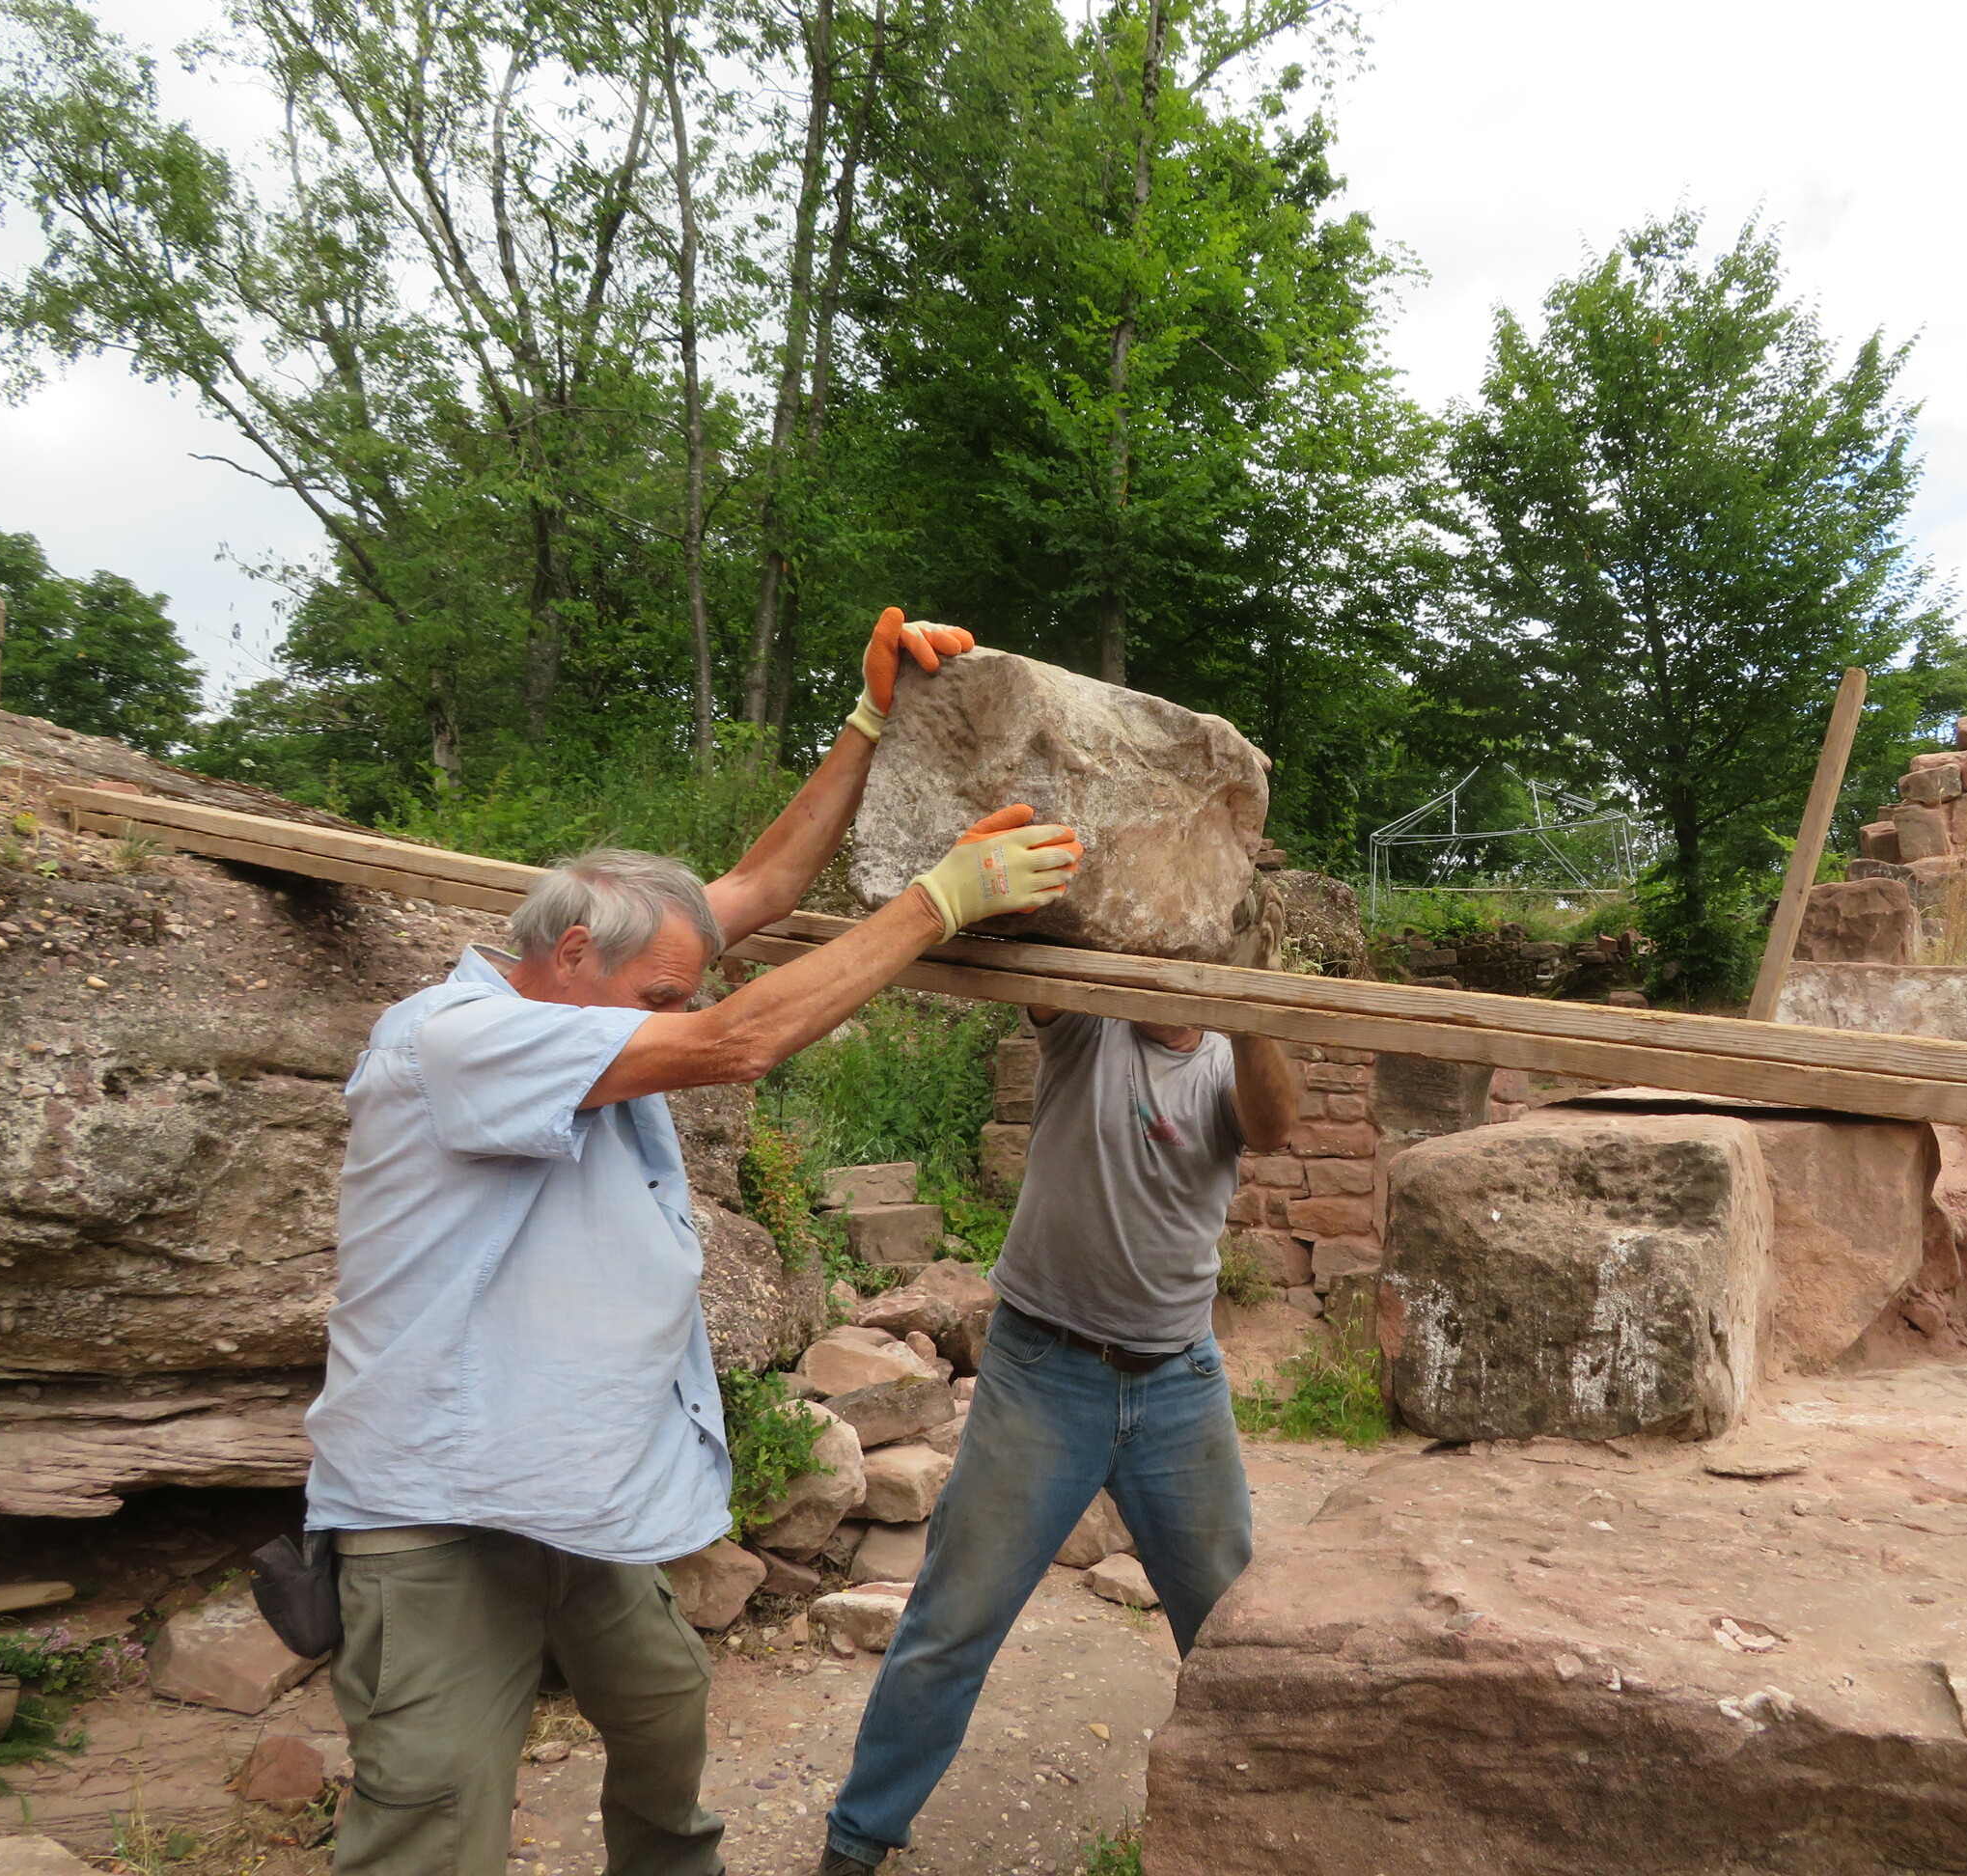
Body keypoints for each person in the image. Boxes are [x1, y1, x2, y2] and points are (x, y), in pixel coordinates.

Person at [305, 611, 1082, 1876]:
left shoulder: (596, 973)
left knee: (664, 1718)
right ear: (570, 954)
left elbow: (762, 890)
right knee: (432, 1818)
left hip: (568, 1494)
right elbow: (738, 1042)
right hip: (438, 1511)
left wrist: (870, 721)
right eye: (665, 997)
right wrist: (940, 902)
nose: (684, 1009)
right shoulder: (456, 1038)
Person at [815, 977, 1300, 1874]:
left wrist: (1246, 1002)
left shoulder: (1227, 1060)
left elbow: (1273, 1127)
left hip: (1178, 1382)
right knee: (953, 1618)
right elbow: (1042, 954)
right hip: (1044, 1371)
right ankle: (858, 1838)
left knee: (1230, 1630)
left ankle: (1267, 1837)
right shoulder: (1087, 1024)